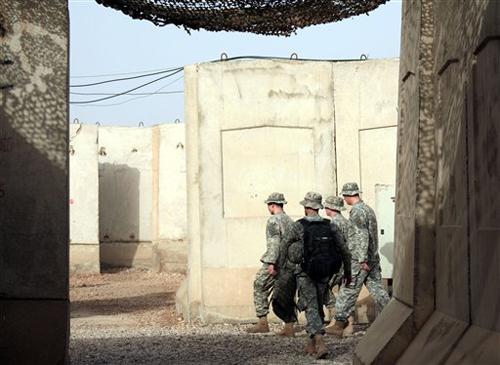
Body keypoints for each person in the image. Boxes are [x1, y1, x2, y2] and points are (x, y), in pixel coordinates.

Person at [326, 182, 390, 337]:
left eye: (344, 196)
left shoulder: (357, 212)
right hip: (372, 259)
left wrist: (361, 259)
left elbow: (361, 235)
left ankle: (339, 324)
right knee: (378, 290)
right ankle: (391, 318)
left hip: (361, 259)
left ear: (348, 196)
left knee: (348, 289)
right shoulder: (368, 209)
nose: (345, 200)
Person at [295, 192, 351, 359]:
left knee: (311, 305)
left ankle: (320, 342)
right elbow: (344, 250)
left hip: (305, 273)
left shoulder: (298, 225)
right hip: (325, 271)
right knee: (317, 303)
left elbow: (286, 249)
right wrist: (347, 271)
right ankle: (311, 344)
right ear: (319, 207)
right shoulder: (330, 225)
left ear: (306, 207)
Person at [246, 192, 296, 336]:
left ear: (272, 205)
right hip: (288, 263)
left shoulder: (273, 221)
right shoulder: (290, 221)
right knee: (286, 293)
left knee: (259, 285)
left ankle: (262, 322)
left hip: (276, 262)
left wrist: (272, 263)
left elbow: (274, 244)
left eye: (269, 205)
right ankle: (289, 326)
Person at [323, 196, 351, 322]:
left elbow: (333, 246)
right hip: (346, 262)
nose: (324, 209)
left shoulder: (334, 223)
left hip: (337, 262)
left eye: (326, 206)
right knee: (344, 293)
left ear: (331, 208)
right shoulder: (345, 222)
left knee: (323, 287)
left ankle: (335, 318)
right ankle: (348, 323)